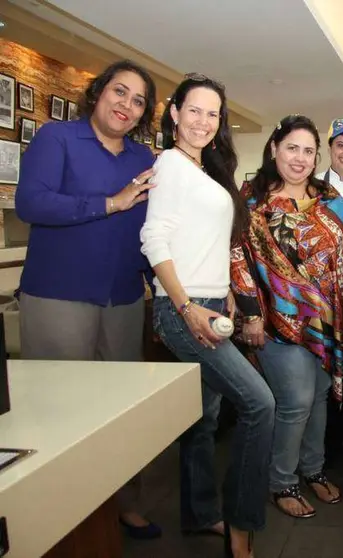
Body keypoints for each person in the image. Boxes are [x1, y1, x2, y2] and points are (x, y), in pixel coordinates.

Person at [15, 59, 161, 539]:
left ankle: (124, 505)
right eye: (120, 92)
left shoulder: (145, 160)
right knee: (60, 409)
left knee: (120, 410)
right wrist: (108, 203)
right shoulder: (57, 138)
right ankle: (58, 512)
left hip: (122, 298)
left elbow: (151, 229)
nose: (127, 105)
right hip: (59, 295)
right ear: (98, 93)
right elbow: (31, 202)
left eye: (138, 100)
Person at [141, 73, 274, 558]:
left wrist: (227, 294)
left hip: (212, 302)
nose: (202, 121)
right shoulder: (171, 166)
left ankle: (200, 514)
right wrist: (186, 305)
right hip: (184, 308)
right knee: (260, 405)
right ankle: (241, 526)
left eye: (212, 113)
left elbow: (210, 241)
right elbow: (154, 240)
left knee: (202, 417)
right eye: (193, 110)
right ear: (174, 113)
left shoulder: (205, 170)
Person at [231, 115, 343, 519]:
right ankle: (281, 480)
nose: (300, 158)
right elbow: (237, 257)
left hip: (325, 318)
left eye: (308, 151)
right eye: (291, 148)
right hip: (273, 318)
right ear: (274, 149)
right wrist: (249, 313)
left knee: (318, 396)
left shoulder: (330, 198)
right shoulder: (250, 200)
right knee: (296, 400)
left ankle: (312, 469)